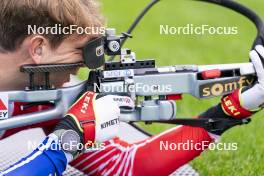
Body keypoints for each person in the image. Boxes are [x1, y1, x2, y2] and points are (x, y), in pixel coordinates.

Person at [0, 0, 263, 175]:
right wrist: (67, 141)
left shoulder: (41, 95)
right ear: (39, 48)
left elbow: (125, 165)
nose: (83, 66)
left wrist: (234, 108)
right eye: (81, 50)